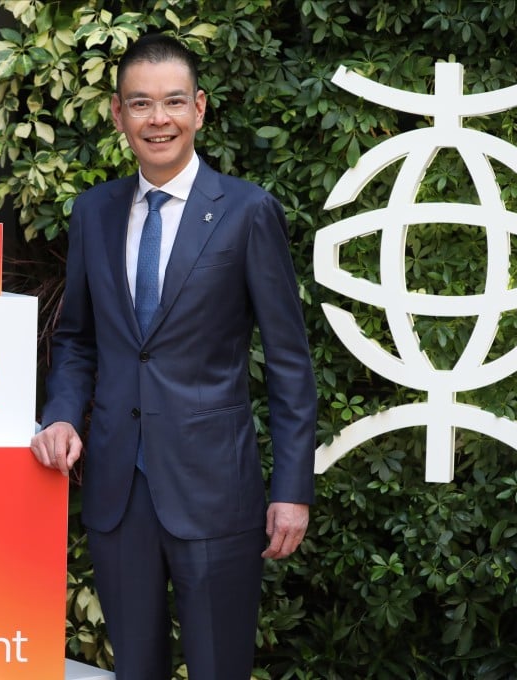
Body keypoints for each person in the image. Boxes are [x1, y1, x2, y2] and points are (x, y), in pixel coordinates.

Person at [30, 33, 317, 679]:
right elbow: (77, 339)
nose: (157, 119)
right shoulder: (93, 212)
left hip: (216, 489)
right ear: (117, 114)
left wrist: (293, 489)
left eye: (173, 102)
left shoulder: (247, 211)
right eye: (140, 104)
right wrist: (61, 417)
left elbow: (291, 362)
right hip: (117, 488)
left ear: (200, 109)